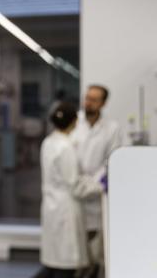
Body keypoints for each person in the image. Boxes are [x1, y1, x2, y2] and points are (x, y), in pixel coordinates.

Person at [70, 84, 126, 278]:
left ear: (103, 103)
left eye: (94, 100)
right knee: (74, 248)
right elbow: (67, 156)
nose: (88, 103)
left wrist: (93, 184)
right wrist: (78, 181)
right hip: (74, 189)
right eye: (87, 98)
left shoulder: (112, 128)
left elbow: (111, 160)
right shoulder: (74, 123)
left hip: (95, 193)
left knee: (96, 248)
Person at [39, 102, 91, 278]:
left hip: (52, 205)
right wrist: (99, 184)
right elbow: (75, 186)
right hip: (65, 209)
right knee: (65, 264)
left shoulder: (48, 142)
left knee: (54, 262)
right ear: (74, 121)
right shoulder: (66, 147)